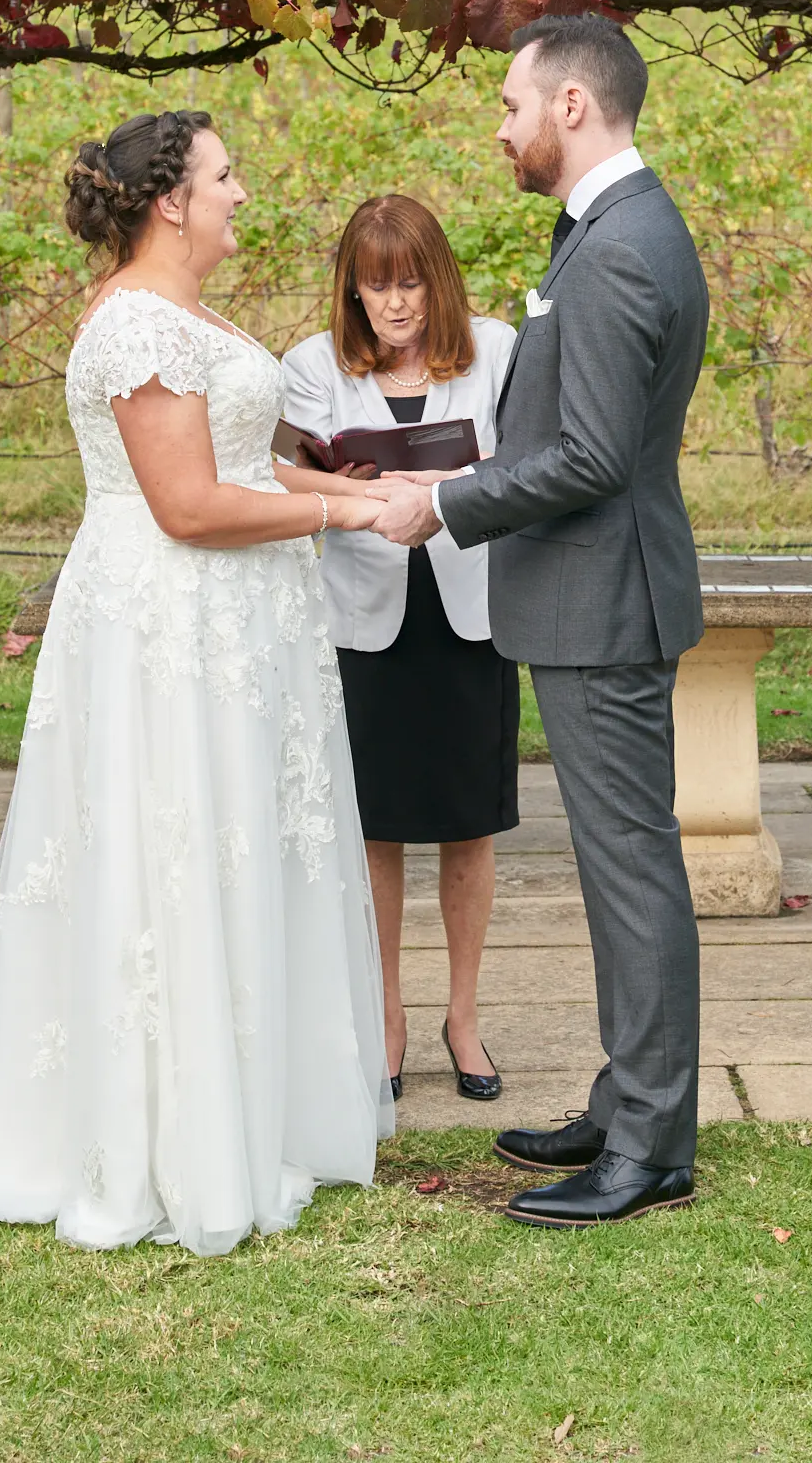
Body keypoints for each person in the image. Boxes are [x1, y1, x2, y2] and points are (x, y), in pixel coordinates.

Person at [0, 109, 393, 1256]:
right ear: (170, 200)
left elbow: (235, 460)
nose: (243, 190)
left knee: (238, 843)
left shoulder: (184, 312)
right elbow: (185, 505)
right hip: (171, 624)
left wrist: (337, 479)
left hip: (236, 621)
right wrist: (337, 509)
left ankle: (251, 1105)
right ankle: (169, 1140)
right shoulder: (136, 324)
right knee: (174, 850)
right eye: (225, 175)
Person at [370, 14, 709, 1229]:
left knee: (631, 872)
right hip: (592, 596)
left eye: (512, 105)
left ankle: (651, 1146)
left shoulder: (619, 248)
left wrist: (444, 503)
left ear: (572, 106)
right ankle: (627, 1104)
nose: (501, 127)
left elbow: (592, 452)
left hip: (602, 600)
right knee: (622, 866)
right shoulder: (614, 229)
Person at [280, 197, 518, 1106]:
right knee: (374, 827)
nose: (397, 304)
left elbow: (518, 461)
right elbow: (292, 474)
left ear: (438, 280)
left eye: (411, 281)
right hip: (365, 620)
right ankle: (386, 1017)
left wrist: (428, 482)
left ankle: (463, 1015)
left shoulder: (494, 350)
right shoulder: (310, 366)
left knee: (469, 821)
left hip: (470, 613)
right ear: (352, 290)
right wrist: (396, 487)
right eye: (376, 286)